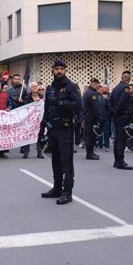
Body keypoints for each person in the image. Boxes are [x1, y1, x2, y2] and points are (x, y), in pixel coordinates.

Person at [40, 59, 82, 205]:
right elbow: (47, 108)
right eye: (56, 68)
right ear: (53, 70)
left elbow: (78, 105)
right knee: (55, 159)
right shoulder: (50, 88)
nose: (59, 71)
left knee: (66, 160)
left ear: (65, 70)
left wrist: (63, 103)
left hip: (65, 129)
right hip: (53, 129)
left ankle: (67, 192)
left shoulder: (71, 87)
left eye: (61, 69)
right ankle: (57, 188)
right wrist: (42, 127)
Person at [110, 71, 133, 170]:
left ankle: (116, 160)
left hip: (117, 117)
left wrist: (113, 113)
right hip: (122, 117)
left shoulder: (116, 88)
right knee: (121, 140)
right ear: (129, 79)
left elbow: (110, 101)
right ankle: (120, 161)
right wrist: (118, 112)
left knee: (117, 140)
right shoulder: (125, 88)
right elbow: (122, 103)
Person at [82, 78, 101, 160]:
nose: (97, 85)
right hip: (91, 117)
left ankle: (91, 152)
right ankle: (90, 154)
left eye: (97, 84)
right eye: (96, 84)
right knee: (91, 136)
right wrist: (98, 117)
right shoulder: (92, 93)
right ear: (92, 83)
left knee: (89, 135)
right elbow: (95, 107)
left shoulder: (87, 92)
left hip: (87, 116)